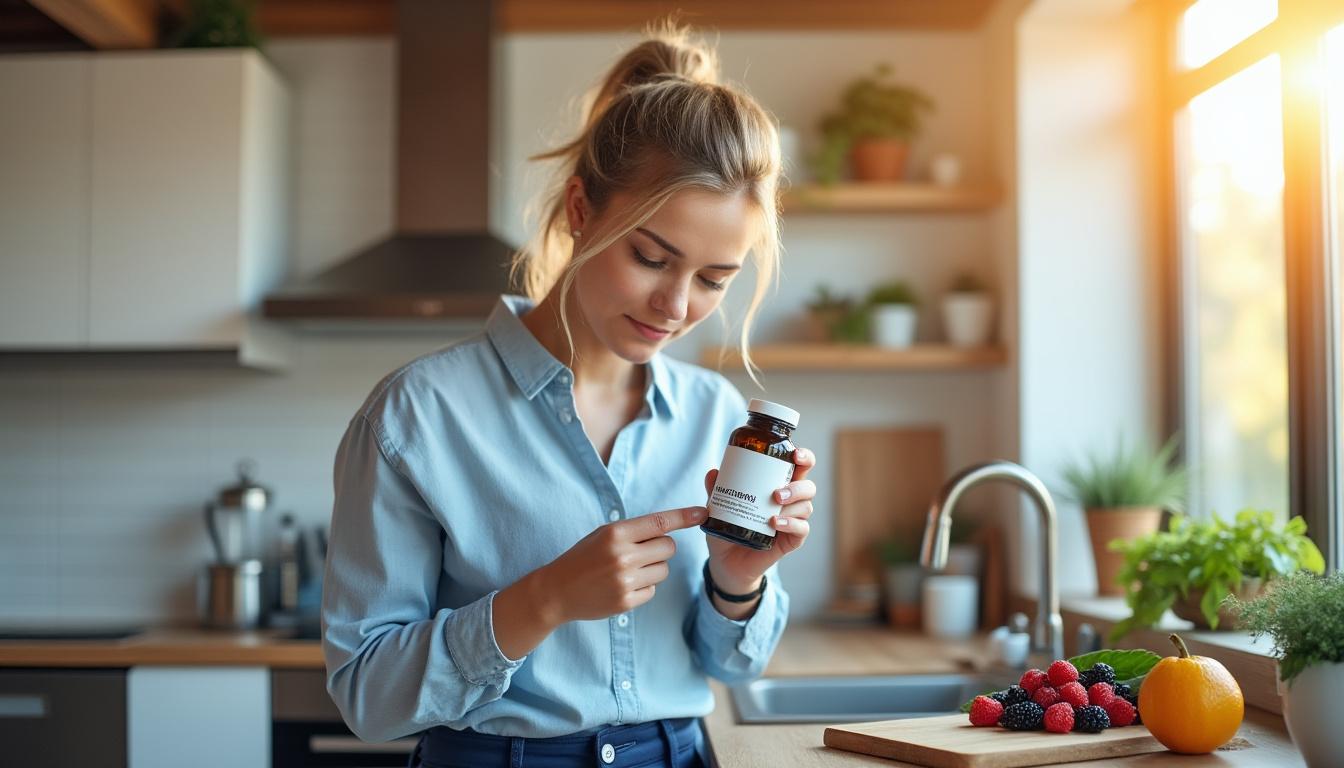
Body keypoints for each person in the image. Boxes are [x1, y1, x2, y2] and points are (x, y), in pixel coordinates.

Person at [321, 22, 818, 768]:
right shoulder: (416, 415)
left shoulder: (717, 416)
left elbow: (732, 667)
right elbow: (368, 697)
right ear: (582, 210)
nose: (676, 306)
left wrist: (738, 579)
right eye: (651, 257)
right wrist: (544, 599)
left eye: (716, 279)